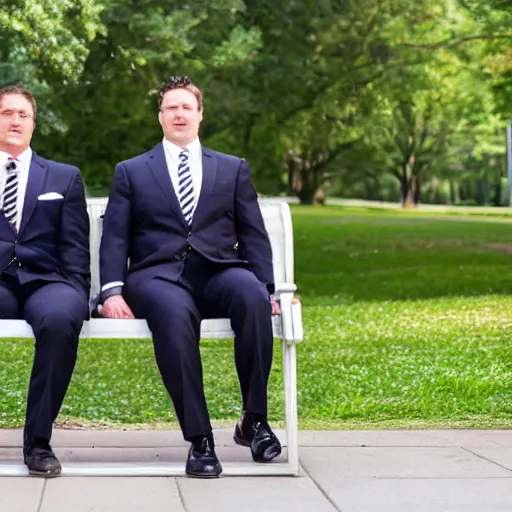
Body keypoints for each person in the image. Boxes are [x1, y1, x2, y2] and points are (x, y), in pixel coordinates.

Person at [99, 75, 281, 478]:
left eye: (186, 107)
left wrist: (268, 287)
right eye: (171, 107)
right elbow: (115, 236)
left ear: (200, 114)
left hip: (218, 270)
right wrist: (111, 291)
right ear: (160, 116)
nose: (179, 113)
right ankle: (200, 440)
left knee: (251, 297)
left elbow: (253, 233)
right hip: (157, 277)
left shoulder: (232, 168)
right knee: (174, 315)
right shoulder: (131, 171)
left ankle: (254, 420)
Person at [0, 85, 90, 476]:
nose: (15, 120)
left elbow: (75, 244)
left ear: (34, 123)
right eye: (6, 113)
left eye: (23, 114)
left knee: (59, 319)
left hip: (47, 280)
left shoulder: (64, 176)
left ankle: (38, 442)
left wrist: (77, 291)